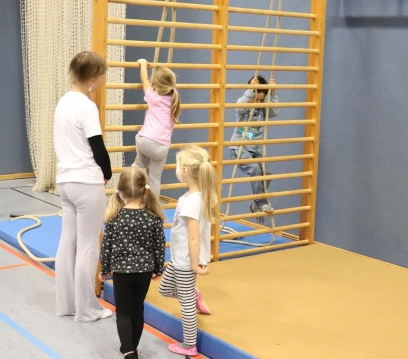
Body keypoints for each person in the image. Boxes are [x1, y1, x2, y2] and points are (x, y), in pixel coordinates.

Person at [53, 51, 113, 322]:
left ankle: (66, 304)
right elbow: (97, 146)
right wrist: (107, 173)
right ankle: (87, 309)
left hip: (65, 181)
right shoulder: (87, 106)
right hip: (86, 182)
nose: (102, 81)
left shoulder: (63, 102)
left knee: (68, 243)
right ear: (91, 77)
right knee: (88, 246)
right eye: (101, 76)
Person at [100, 167, 167, 359]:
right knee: (138, 308)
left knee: (123, 311)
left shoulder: (114, 217)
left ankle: (129, 351)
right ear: (145, 190)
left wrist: (104, 269)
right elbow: (159, 245)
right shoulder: (152, 217)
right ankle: (132, 347)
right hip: (144, 271)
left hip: (122, 272)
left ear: (120, 191)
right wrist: (158, 269)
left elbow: (106, 246)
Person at [158, 145, 218, 357]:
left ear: (184, 170)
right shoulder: (190, 197)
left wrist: (194, 264)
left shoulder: (192, 202)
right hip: (179, 258)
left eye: (177, 165)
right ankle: (193, 295)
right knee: (164, 289)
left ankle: (189, 345)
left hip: (185, 261)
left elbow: (194, 237)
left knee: (186, 305)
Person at [229, 74, 279, 215]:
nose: (258, 103)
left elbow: (274, 112)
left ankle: (256, 202)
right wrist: (250, 91)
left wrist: (273, 93)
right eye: (255, 99)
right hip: (239, 148)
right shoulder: (244, 107)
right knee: (256, 170)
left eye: (261, 100)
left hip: (255, 150)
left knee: (267, 174)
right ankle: (261, 202)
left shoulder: (263, 108)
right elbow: (239, 107)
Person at [132, 58, 181, 198]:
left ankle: (139, 167)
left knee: (139, 145)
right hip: (162, 148)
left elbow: (144, 80)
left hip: (145, 141)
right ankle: (153, 206)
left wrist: (143, 64)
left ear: (155, 85)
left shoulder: (153, 97)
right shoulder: (174, 100)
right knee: (155, 179)